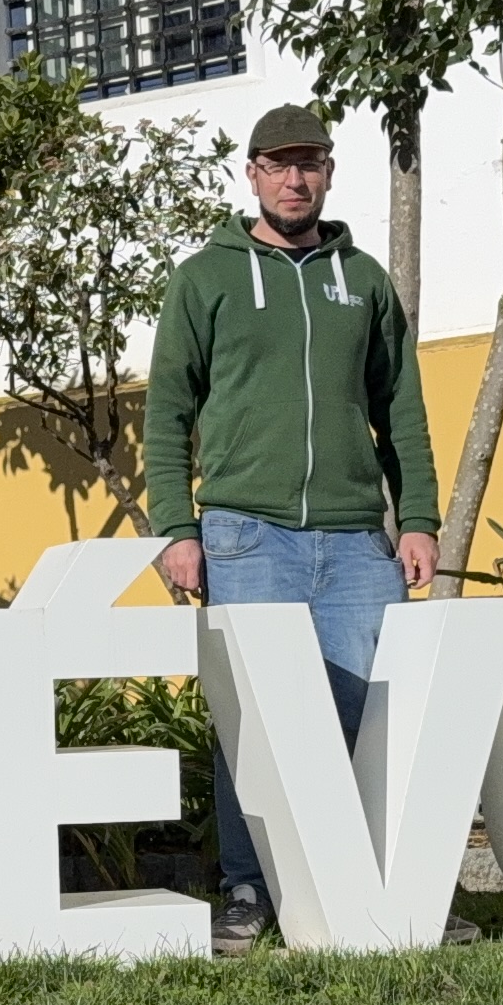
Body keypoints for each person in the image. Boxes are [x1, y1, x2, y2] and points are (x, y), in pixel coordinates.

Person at [145, 103, 440, 952]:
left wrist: (417, 517)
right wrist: (177, 527)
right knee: (255, 724)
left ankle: (373, 890)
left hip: (356, 543)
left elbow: (401, 408)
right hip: (247, 535)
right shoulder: (205, 279)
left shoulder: (365, 280)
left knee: (369, 718)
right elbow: (168, 410)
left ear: (329, 173)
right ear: (252, 175)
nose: (294, 179)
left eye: (308, 163)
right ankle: (249, 889)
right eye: (278, 165)